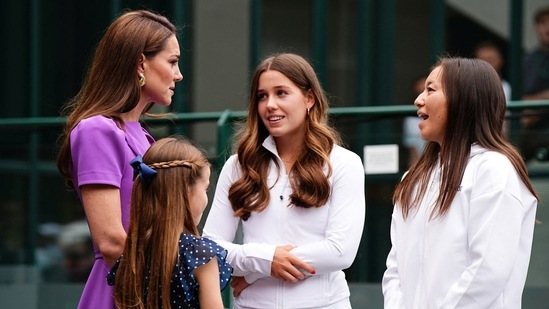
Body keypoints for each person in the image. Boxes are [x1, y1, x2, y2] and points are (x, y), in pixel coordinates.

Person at [202, 53, 366, 309]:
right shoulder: (238, 165)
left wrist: (256, 270)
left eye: (281, 93)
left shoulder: (344, 163)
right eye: (262, 96)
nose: (270, 105)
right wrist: (265, 259)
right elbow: (211, 247)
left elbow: (340, 251)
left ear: (309, 98)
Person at [382, 57, 539, 308]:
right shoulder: (413, 179)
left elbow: (487, 270)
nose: (418, 100)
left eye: (430, 90)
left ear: (464, 99)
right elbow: (395, 269)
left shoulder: (493, 169)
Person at [56, 9, 183, 308]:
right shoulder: (97, 130)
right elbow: (112, 242)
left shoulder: (143, 135)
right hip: (124, 293)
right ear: (141, 62)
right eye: (173, 62)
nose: (179, 74)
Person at [106, 136, 232, 309]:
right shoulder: (200, 255)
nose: (205, 198)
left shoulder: (130, 256)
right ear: (187, 192)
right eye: (206, 188)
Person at [520, 5, 549, 161]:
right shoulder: (529, 60)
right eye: (543, 23)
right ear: (536, 27)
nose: (547, 27)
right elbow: (521, 99)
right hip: (532, 129)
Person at [402, 75, 427, 168]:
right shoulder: (411, 120)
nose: (421, 101)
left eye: (429, 91)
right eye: (420, 93)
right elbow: (412, 153)